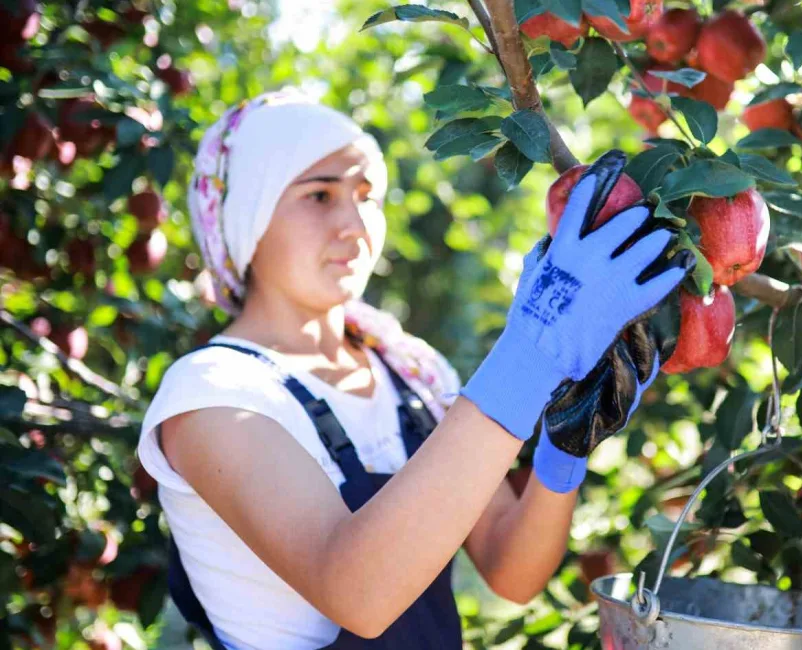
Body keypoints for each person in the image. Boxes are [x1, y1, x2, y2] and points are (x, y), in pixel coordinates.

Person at [136, 87, 693, 649]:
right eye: (319, 196)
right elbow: (357, 592)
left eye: (366, 195)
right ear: (247, 215)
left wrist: (563, 449)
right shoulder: (213, 392)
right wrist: (529, 353)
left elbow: (511, 569)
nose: (354, 225)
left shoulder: (411, 374)